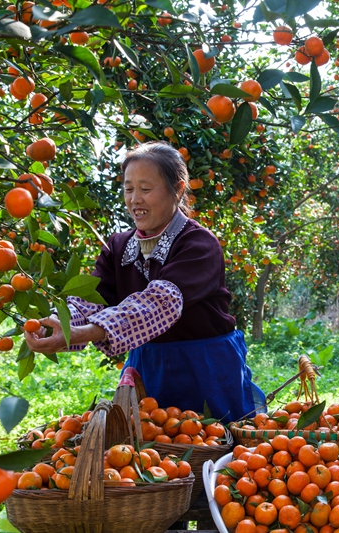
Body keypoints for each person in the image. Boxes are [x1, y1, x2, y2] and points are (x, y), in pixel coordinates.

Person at [25, 141, 265, 423]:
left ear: (177, 188)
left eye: (146, 189)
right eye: (128, 189)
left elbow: (159, 303)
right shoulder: (119, 246)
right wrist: (60, 324)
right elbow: (91, 299)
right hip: (149, 369)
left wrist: (83, 333)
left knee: (212, 448)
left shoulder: (198, 244)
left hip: (205, 368)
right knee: (150, 453)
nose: (134, 199)